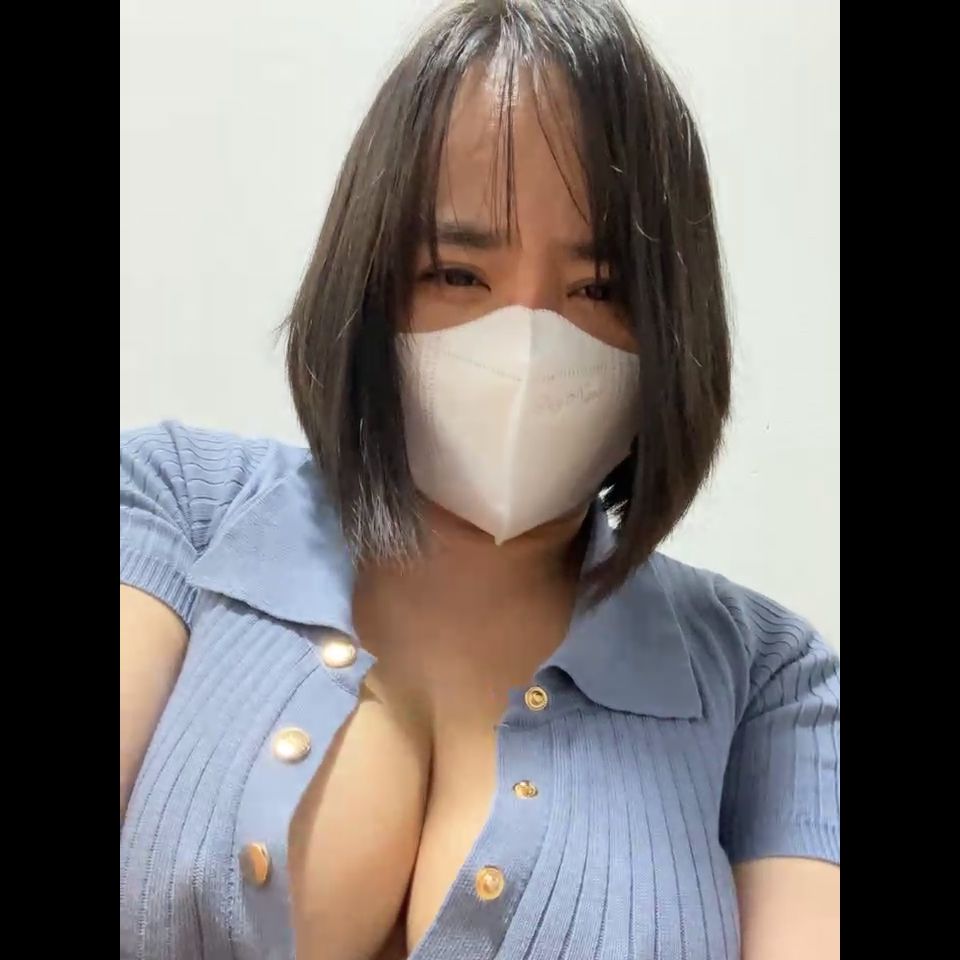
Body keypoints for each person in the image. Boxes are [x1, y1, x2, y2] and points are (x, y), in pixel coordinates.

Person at [119, 2, 840, 958]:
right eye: (457, 274)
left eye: (600, 289)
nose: (528, 341)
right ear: (370, 280)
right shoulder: (175, 505)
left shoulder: (769, 681)